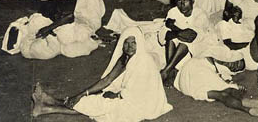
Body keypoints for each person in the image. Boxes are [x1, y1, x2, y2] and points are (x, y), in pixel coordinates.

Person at [31, 27, 173, 121]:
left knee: (103, 104)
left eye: (133, 43)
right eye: (126, 43)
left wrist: (116, 96)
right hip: (129, 97)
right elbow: (107, 80)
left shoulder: (144, 61)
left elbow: (140, 93)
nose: (129, 47)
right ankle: (51, 102)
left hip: (145, 105)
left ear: (140, 44)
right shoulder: (126, 58)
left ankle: (47, 108)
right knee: (95, 99)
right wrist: (81, 94)